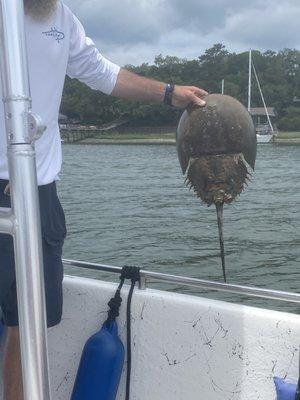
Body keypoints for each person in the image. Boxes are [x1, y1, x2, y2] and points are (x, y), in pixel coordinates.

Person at [0, 0, 208, 399]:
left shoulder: (61, 18)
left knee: (25, 322)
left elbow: (102, 72)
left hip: (38, 192)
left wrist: (169, 93)